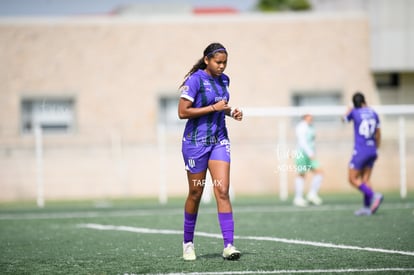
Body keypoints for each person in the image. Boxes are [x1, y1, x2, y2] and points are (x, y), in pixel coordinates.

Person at [178, 42, 243, 261]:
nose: (222, 66)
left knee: (222, 190)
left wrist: (230, 112)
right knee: (196, 192)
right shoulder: (195, 80)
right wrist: (213, 108)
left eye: (225, 62)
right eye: (218, 62)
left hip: (219, 140)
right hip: (195, 143)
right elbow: (183, 112)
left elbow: (220, 106)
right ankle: (188, 243)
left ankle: (229, 245)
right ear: (207, 60)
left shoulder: (224, 80)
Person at [342, 92, 383, 216]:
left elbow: (343, 120)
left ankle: (373, 195)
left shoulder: (354, 112)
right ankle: (366, 208)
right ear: (364, 101)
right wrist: (377, 148)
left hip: (361, 150)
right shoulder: (374, 113)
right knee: (365, 179)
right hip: (372, 149)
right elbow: (378, 133)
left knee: (352, 179)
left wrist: (348, 109)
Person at [293, 114, 323, 207]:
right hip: (302, 153)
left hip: (310, 154)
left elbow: (311, 141)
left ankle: (312, 194)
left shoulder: (311, 127)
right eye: (309, 116)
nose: (311, 117)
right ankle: (298, 198)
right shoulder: (301, 127)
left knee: (319, 172)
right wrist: (309, 153)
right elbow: (302, 141)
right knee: (302, 174)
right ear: (304, 117)